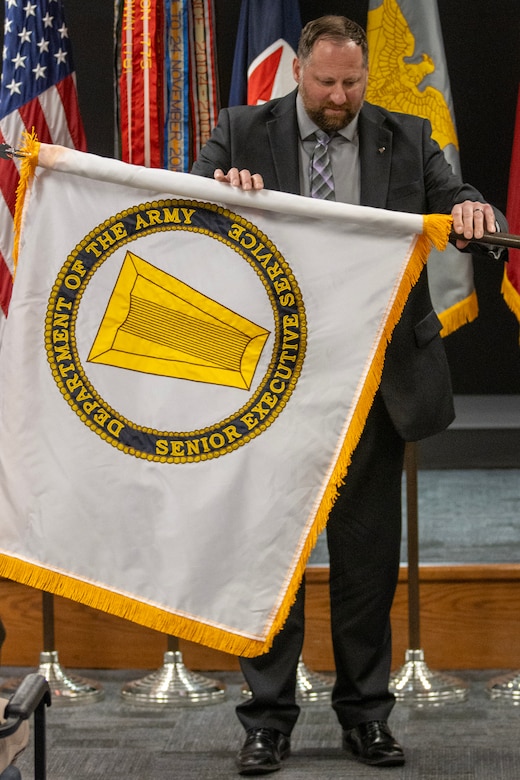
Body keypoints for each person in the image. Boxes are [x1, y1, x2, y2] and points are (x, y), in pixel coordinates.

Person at [192, 15, 507, 775]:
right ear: (299, 71)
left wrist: (473, 212)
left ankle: (365, 717)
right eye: (327, 83)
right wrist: (218, 190)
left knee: (367, 564)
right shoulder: (240, 130)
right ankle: (266, 721)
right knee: (274, 561)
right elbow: (187, 215)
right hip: (271, 384)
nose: (340, 97)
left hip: (374, 382)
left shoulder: (403, 133)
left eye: (352, 83)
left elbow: (461, 199)